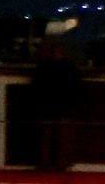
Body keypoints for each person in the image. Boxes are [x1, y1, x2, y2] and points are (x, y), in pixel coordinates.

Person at [31, 40, 84, 169]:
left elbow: (36, 87)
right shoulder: (71, 68)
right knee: (63, 139)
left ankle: (44, 163)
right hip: (64, 108)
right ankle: (62, 164)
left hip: (47, 107)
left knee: (46, 138)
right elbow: (77, 87)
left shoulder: (43, 67)